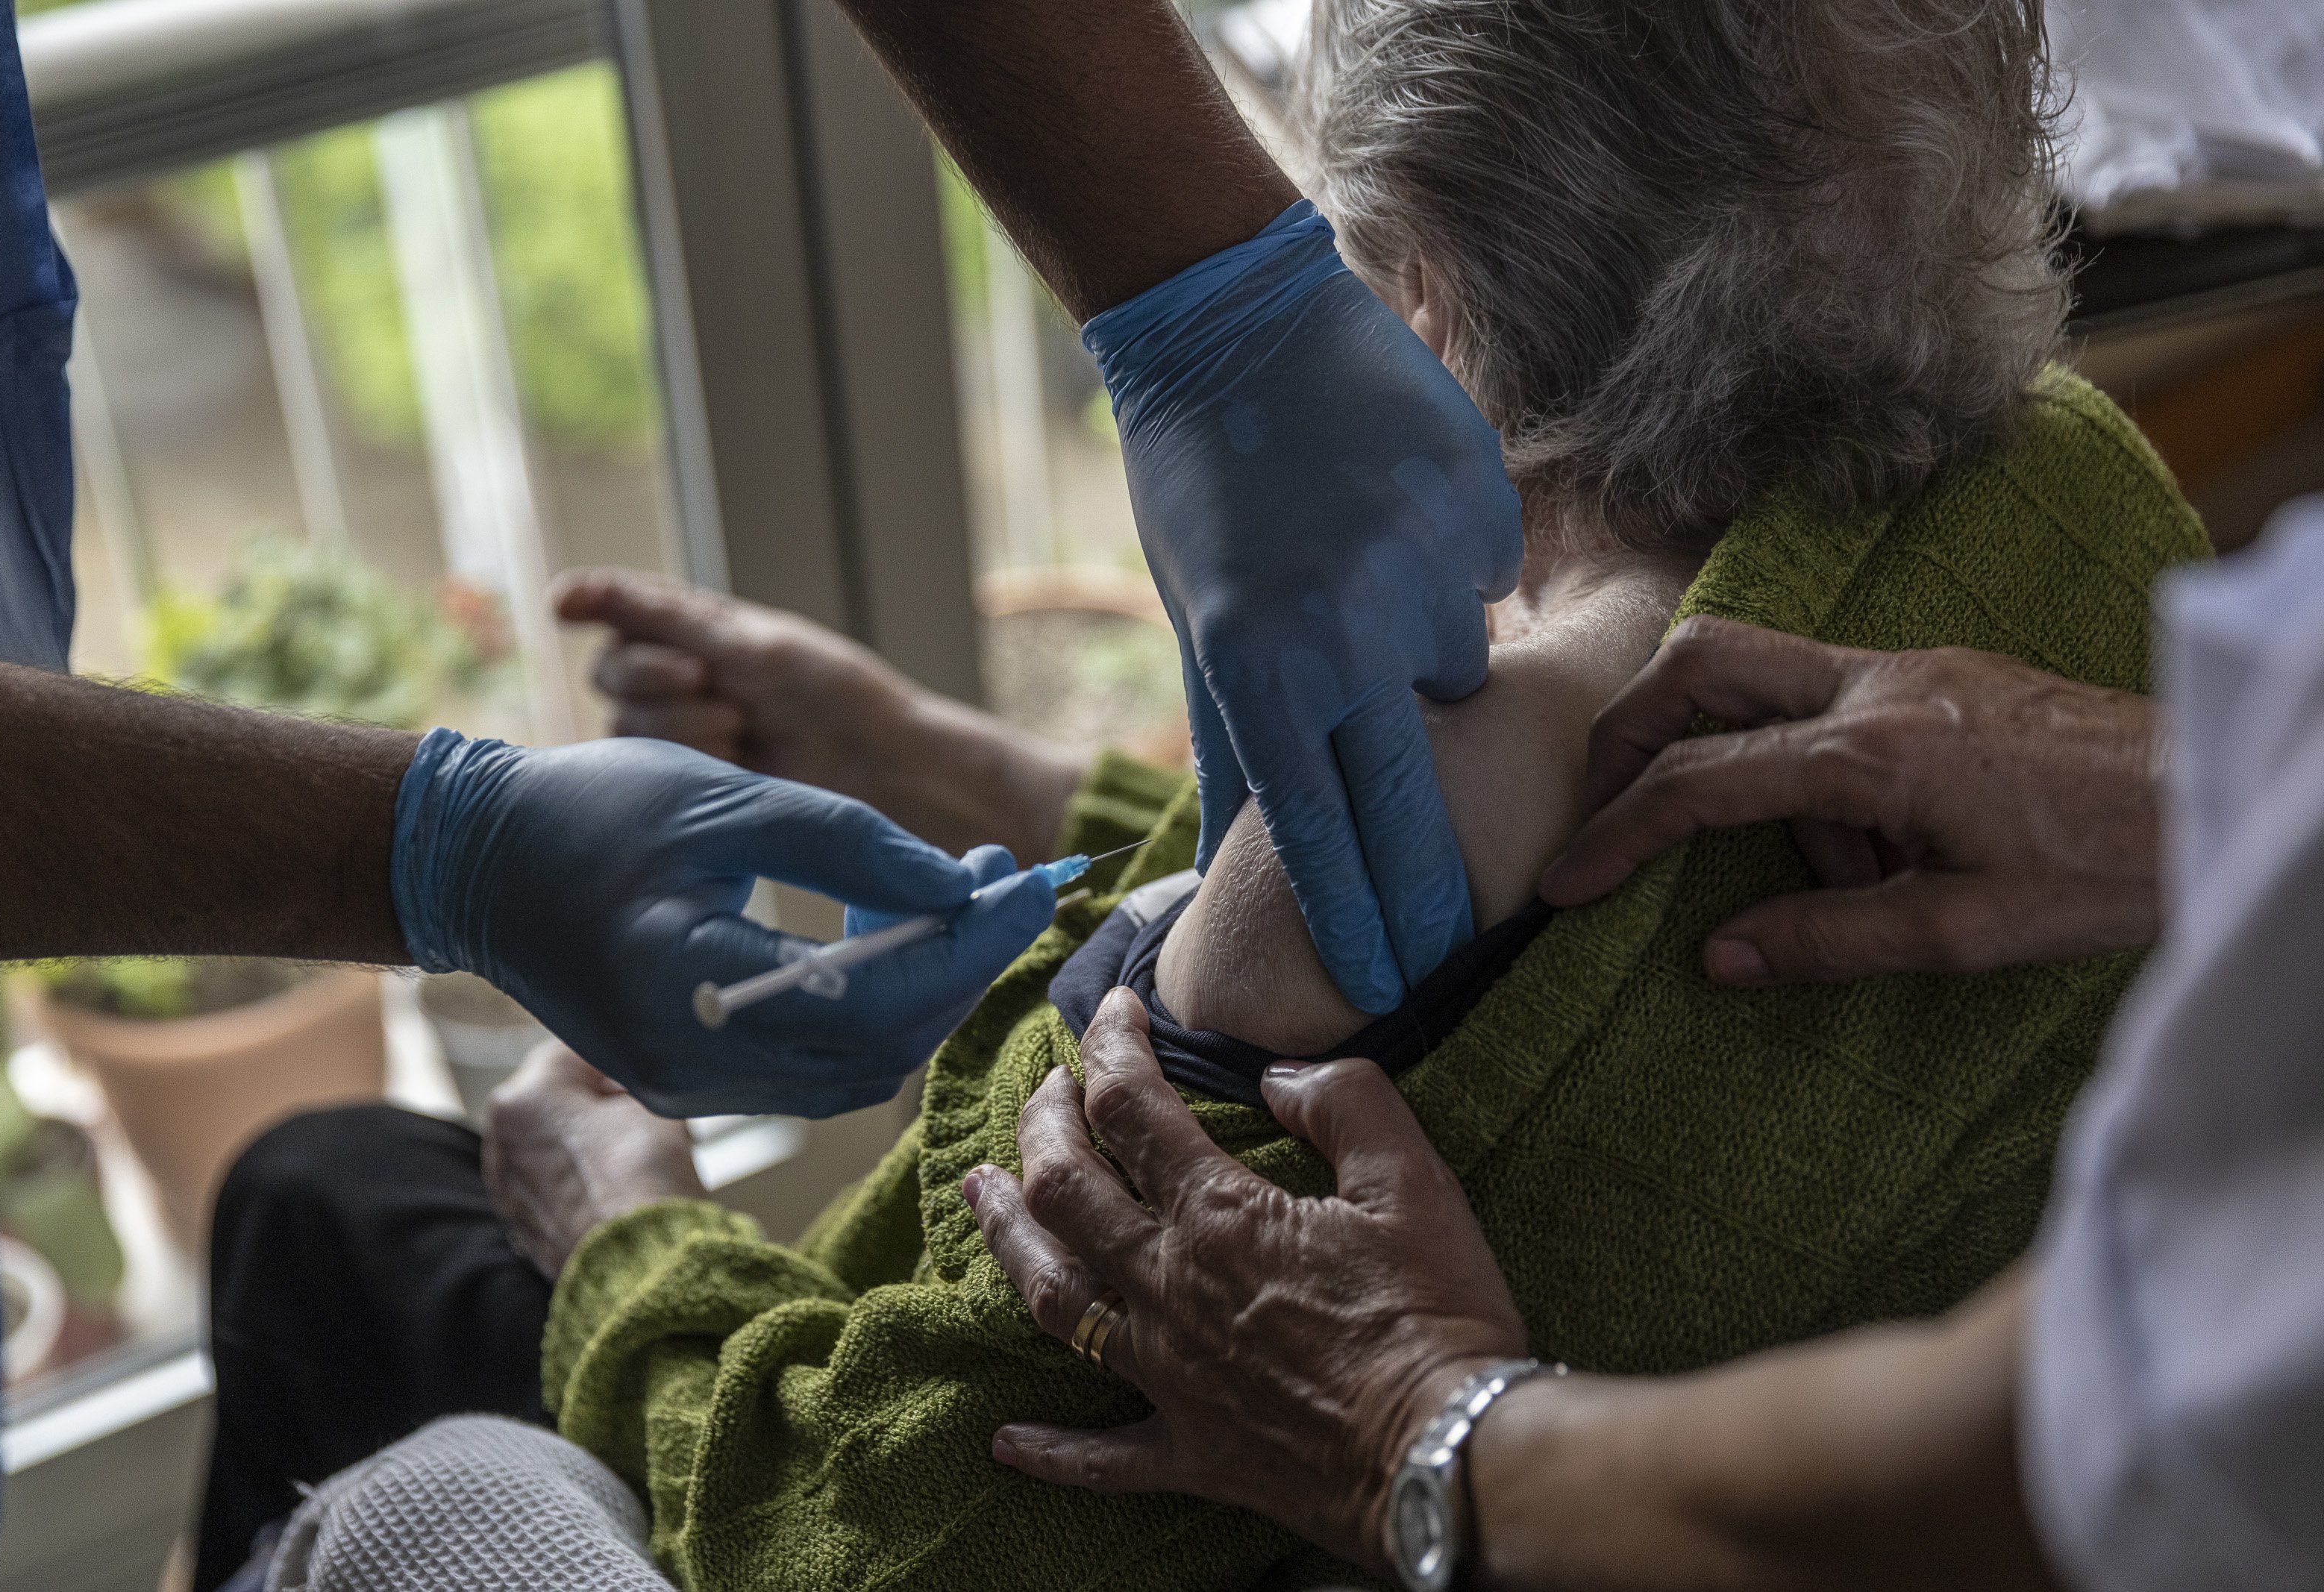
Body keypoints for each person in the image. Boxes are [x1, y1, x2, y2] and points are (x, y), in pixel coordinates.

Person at [203, 0, 2212, 1583]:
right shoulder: (2087, 504)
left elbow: (855, 1541)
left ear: (1411, 290)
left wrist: (628, 1236)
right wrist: (931, 752)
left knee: (316, 1196)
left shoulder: (1427, 812)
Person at [959, 501, 2324, 1591]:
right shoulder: (2073, 486)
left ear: (1426, 296)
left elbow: (2074, 1476)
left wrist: (1409, 1432)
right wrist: (2184, 782)